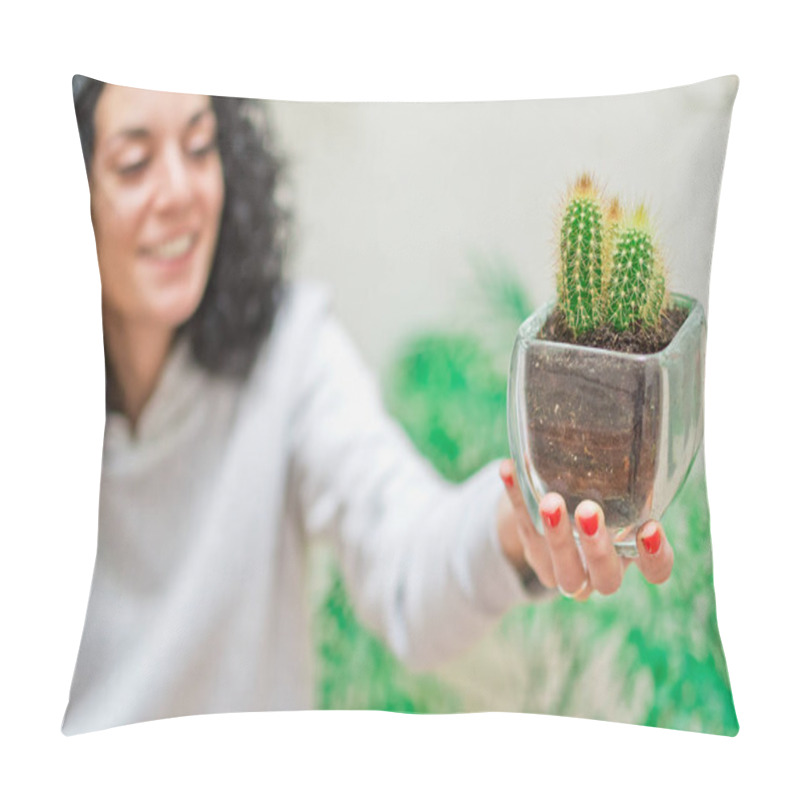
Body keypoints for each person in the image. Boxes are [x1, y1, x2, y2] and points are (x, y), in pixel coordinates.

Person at [62, 77, 674, 735]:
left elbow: (405, 557)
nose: (181, 192)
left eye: (201, 145)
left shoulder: (287, 352)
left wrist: (511, 526)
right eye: (133, 163)